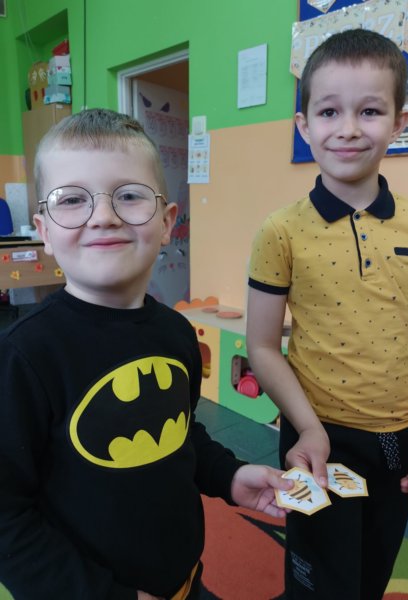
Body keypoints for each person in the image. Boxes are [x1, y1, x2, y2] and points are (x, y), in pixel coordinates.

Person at [0, 108, 293, 600]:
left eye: (129, 195)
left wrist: (230, 476)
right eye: (72, 199)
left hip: (185, 581)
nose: (104, 215)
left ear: (166, 222)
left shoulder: (176, 333)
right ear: (44, 230)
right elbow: (7, 517)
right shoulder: (24, 356)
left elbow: (178, 432)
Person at [246, 29, 408, 600]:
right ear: (304, 124)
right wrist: (308, 427)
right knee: (318, 580)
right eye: (330, 111)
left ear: (401, 121)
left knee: (372, 572)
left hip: (399, 433)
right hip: (317, 433)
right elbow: (261, 345)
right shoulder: (281, 230)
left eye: (370, 111)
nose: (350, 128)